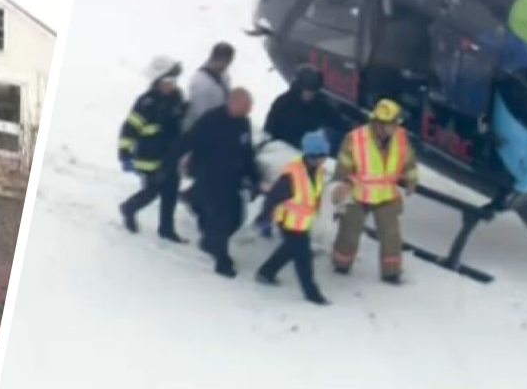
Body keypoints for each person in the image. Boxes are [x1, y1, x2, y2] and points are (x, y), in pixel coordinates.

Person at [329, 99, 419, 284]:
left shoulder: (400, 138)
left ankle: (391, 272)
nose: (396, 127)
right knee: (349, 232)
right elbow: (343, 166)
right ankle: (341, 264)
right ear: (379, 124)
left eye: (396, 123)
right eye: (393, 123)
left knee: (391, 234)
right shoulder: (355, 139)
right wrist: (339, 186)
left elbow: (409, 160)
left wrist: (411, 179)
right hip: (357, 194)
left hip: (386, 195)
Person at [180, 88, 261, 278]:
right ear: (232, 103)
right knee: (221, 220)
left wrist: (254, 178)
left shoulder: (243, 123)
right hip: (210, 177)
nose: (249, 110)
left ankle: (208, 237)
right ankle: (222, 261)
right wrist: (171, 162)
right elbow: (188, 140)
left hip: (232, 180)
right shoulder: (211, 120)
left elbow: (247, 152)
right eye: (246, 106)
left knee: (237, 218)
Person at [255, 130, 333, 305]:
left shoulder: (316, 171)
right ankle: (311, 292)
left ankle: (266, 273)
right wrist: (264, 218)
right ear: (313, 156)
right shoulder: (291, 176)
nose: (325, 159)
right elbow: (272, 198)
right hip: (289, 222)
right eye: (323, 156)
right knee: (303, 258)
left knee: (289, 250)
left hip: (301, 222)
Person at [118, 56, 187, 243]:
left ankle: (166, 228)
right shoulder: (146, 103)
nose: (171, 85)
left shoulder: (177, 97)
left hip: (170, 155)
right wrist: (124, 153)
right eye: (168, 82)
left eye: (173, 81)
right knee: (152, 191)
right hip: (148, 157)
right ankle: (129, 208)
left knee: (171, 190)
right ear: (157, 81)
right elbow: (130, 128)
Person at [264, 64, 341, 151]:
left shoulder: (319, 104)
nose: (309, 94)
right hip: (284, 150)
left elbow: (336, 120)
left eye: (313, 91)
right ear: (299, 87)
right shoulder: (283, 104)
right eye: (306, 90)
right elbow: (269, 131)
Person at [184, 42, 235, 130]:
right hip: (201, 130)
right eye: (226, 61)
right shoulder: (200, 82)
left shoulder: (224, 75)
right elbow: (200, 115)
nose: (227, 65)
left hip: (219, 123)